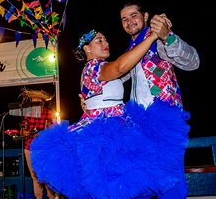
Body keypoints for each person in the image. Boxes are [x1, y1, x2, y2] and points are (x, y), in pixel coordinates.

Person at [30, 28, 191, 199]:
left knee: (126, 182)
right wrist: (151, 37)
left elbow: (128, 67)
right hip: (104, 132)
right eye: (99, 40)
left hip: (118, 127)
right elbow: (122, 66)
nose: (106, 43)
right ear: (87, 49)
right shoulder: (93, 67)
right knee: (112, 184)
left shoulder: (104, 69)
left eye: (106, 40)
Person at [119, 2, 200, 198]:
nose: (129, 21)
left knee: (169, 182)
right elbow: (119, 74)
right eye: (124, 19)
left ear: (145, 16)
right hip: (137, 123)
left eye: (133, 15)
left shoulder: (157, 37)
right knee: (140, 181)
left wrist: (167, 36)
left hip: (164, 120)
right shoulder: (132, 46)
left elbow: (193, 61)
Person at [18, 88, 57, 199]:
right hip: (29, 148)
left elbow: (54, 131)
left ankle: (51, 197)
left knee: (45, 175)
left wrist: (44, 134)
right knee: (34, 176)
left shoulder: (49, 113)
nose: (34, 101)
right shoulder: (28, 113)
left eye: (36, 99)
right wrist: (24, 131)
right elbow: (22, 130)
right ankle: (38, 197)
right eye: (33, 99)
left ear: (42, 101)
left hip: (43, 149)